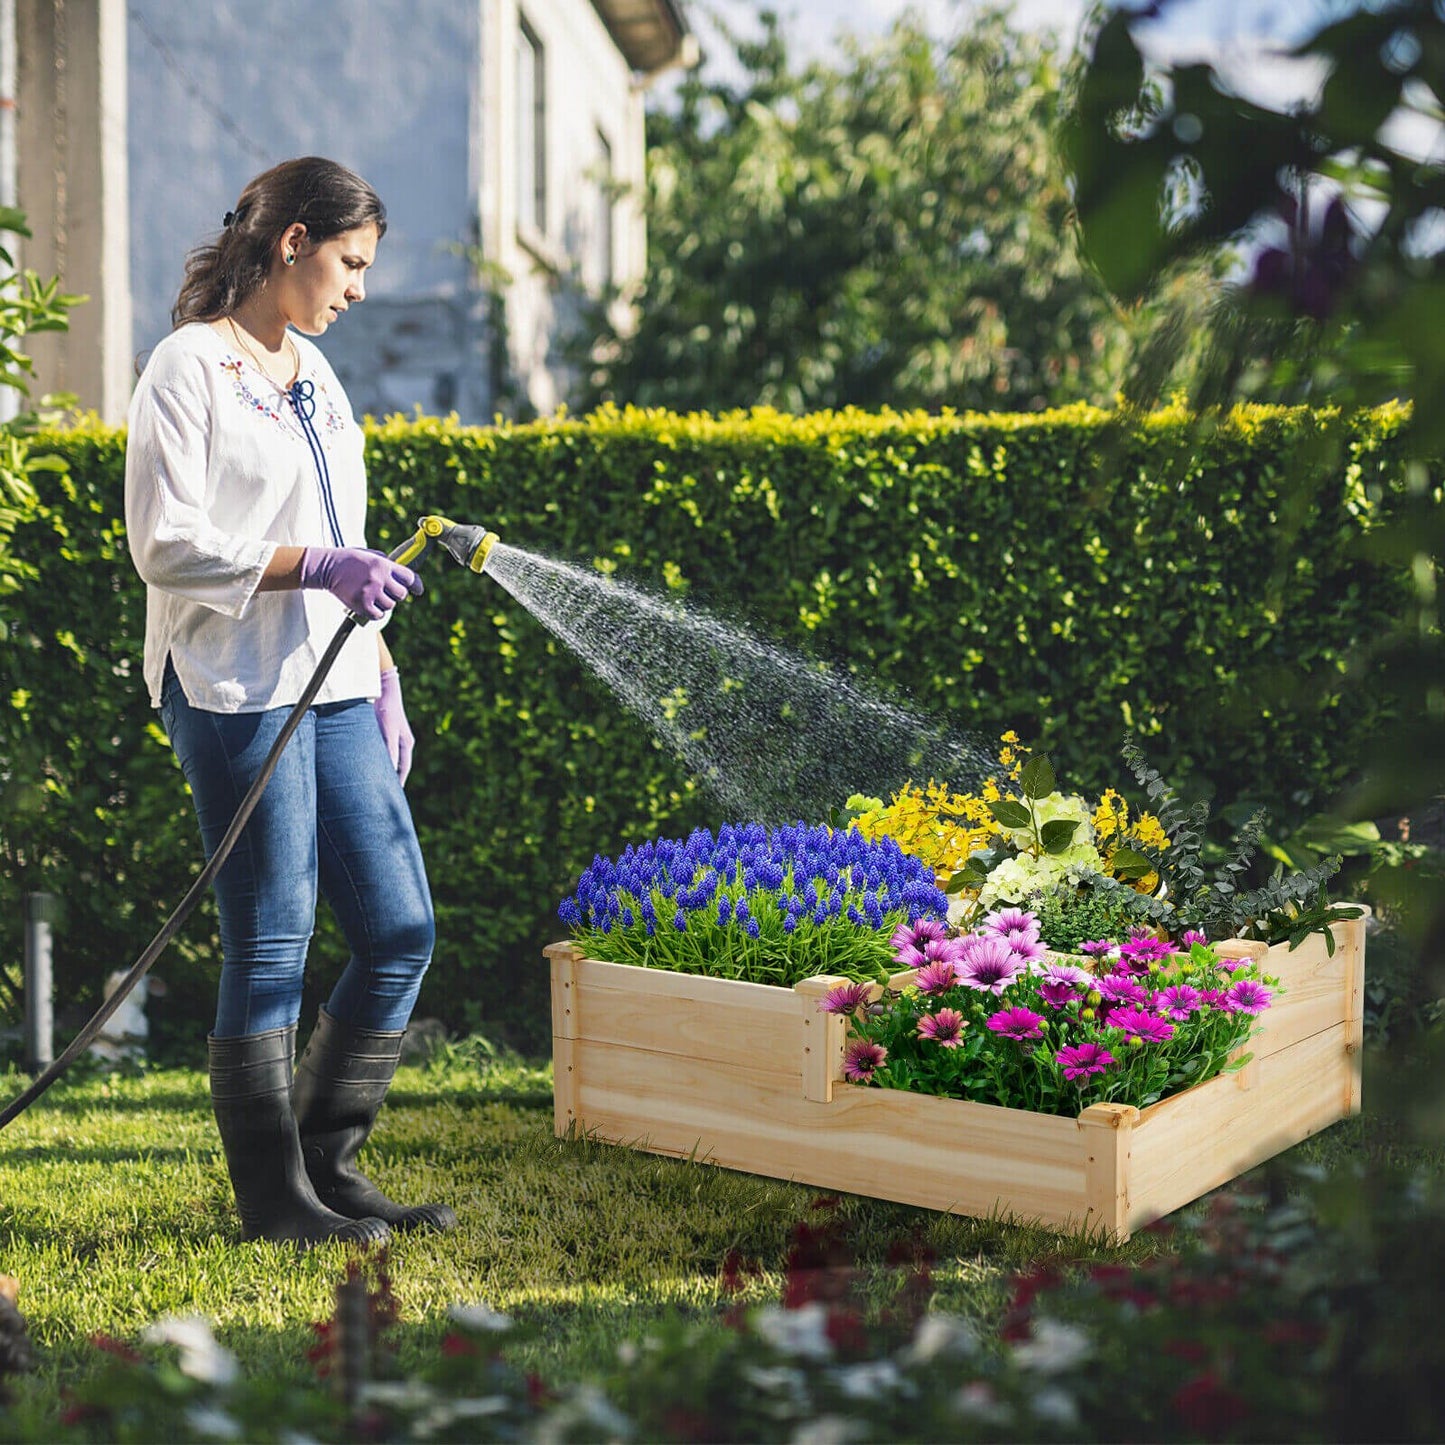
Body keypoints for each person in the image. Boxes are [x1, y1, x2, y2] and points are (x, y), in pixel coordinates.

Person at [125, 157, 456, 1245]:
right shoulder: (187, 367)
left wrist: (385, 670)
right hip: (231, 683)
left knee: (399, 926)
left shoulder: (316, 372)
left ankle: (327, 1164)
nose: (357, 288)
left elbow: (346, 539)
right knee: (270, 938)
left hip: (337, 679)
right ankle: (273, 1201)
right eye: (350, 264)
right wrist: (317, 568)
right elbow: (165, 544)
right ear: (293, 242)